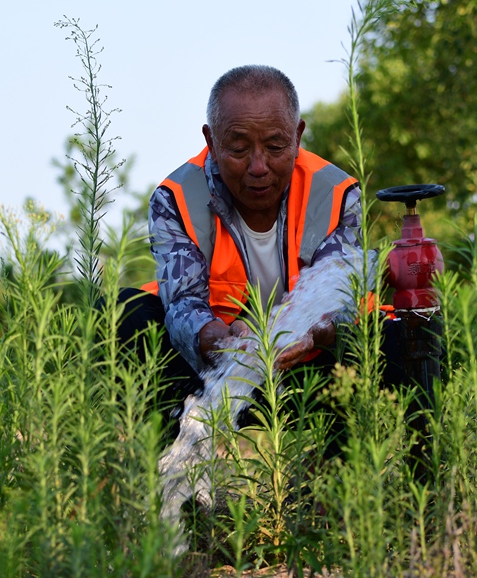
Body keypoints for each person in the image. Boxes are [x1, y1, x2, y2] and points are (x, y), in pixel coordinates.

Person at [116, 65, 362, 421]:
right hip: (215, 365)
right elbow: (183, 302)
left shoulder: (336, 195)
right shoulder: (177, 197)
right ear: (211, 142)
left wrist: (309, 333)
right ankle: (165, 458)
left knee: (398, 332)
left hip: (309, 371)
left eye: (276, 146)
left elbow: (340, 303)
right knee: (126, 311)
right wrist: (223, 339)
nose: (258, 166)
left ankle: (343, 472)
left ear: (297, 137)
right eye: (238, 148)